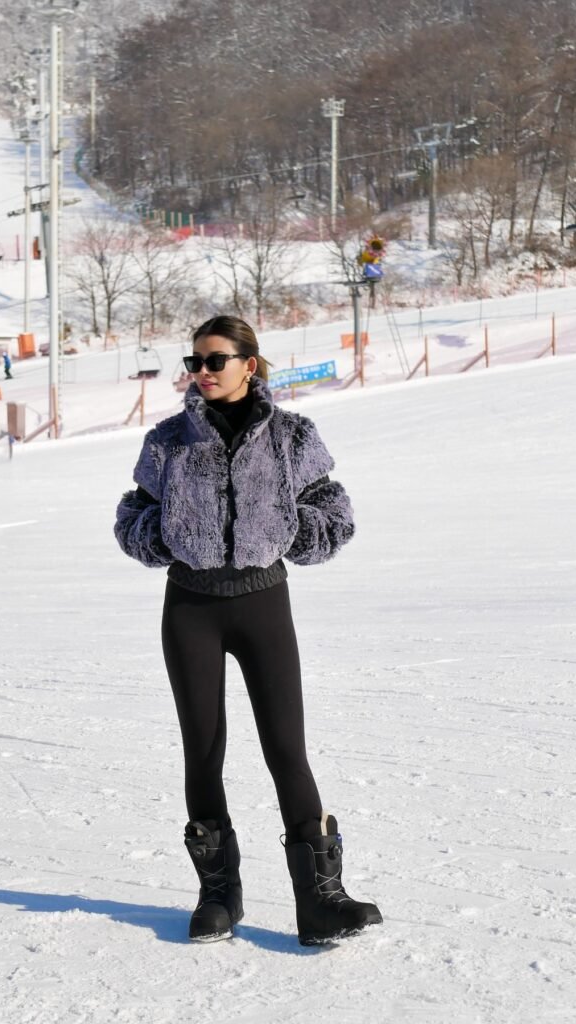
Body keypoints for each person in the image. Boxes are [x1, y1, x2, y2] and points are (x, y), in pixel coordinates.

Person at [114, 315, 382, 946]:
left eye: (215, 360)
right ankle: (218, 896)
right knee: (203, 750)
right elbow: (132, 514)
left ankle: (320, 901)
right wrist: (167, 538)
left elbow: (333, 510)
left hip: (263, 602)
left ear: (248, 365)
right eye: (196, 362)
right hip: (191, 608)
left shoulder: (292, 436)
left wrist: (286, 534)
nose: (202, 372)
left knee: (287, 749)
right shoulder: (167, 441)